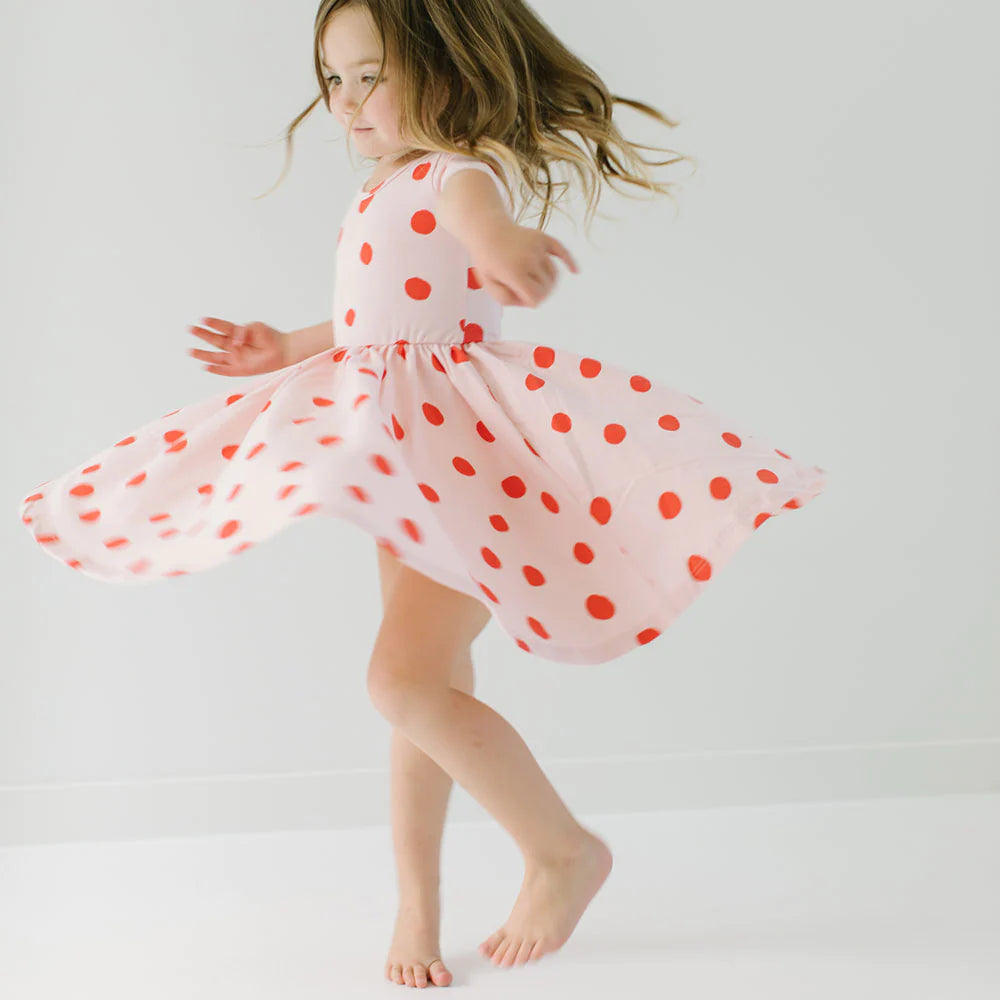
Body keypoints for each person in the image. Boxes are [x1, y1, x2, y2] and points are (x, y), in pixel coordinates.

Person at [17, 0, 829, 988]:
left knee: (400, 683)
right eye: (333, 81)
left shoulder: (454, 174)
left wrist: (502, 253)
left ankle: (563, 849)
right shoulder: (385, 186)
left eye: (372, 75)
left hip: (466, 464)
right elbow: (380, 316)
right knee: (423, 694)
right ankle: (419, 904)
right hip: (403, 451)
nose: (348, 101)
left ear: (445, 70)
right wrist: (287, 346)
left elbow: (479, 227)